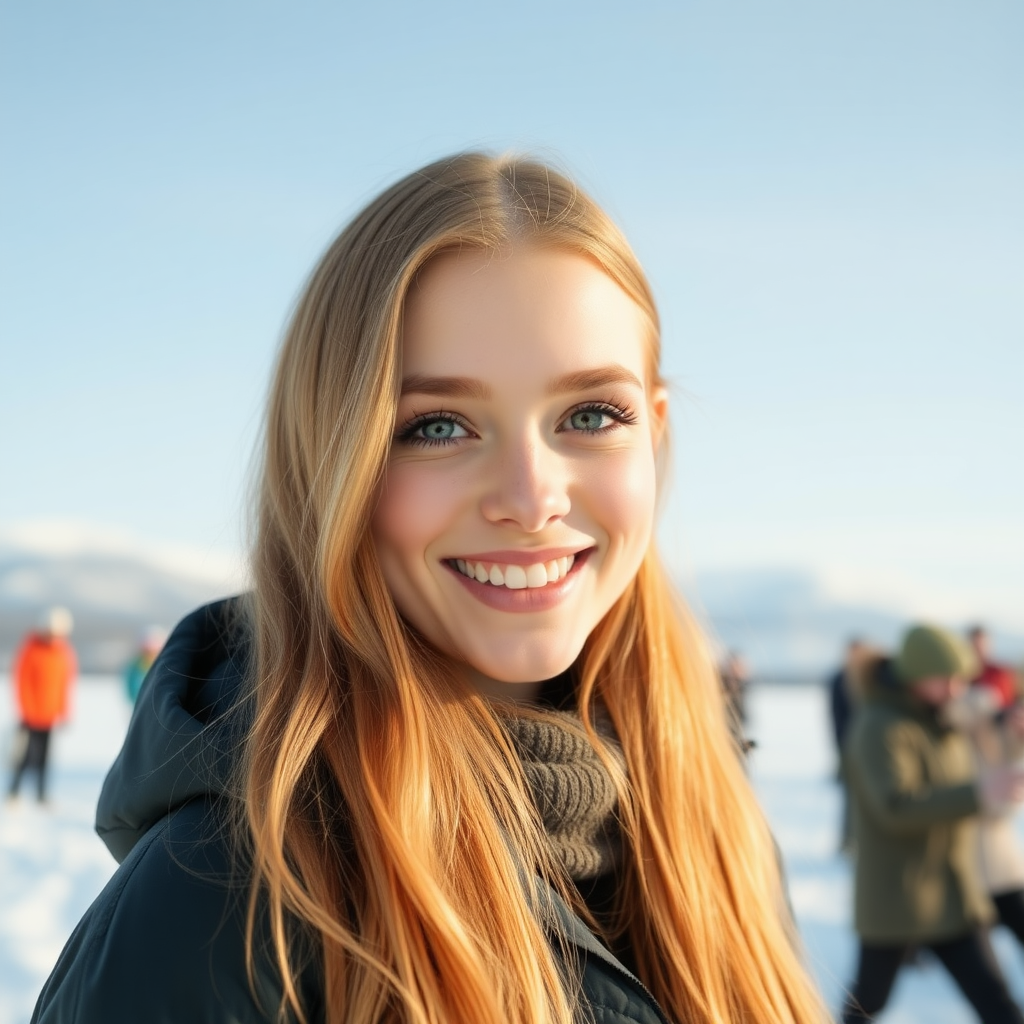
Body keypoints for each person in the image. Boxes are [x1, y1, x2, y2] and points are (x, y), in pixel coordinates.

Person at [33, 153, 827, 1024]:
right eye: (438, 426)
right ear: (330, 462)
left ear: (656, 432)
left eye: (591, 415)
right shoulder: (219, 915)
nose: (531, 500)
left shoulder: (711, 816)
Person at [840, 624, 1024, 1024]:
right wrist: (978, 793)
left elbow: (979, 771)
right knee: (866, 1005)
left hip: (954, 894)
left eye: (962, 679)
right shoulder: (880, 726)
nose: (957, 689)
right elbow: (896, 806)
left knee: (998, 1004)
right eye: (947, 679)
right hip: (898, 899)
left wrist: (1013, 745)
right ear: (917, 676)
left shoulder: (939, 719)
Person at [8, 607, 77, 804]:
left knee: (46, 757)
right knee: (25, 755)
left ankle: (41, 795)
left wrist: (64, 710)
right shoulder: (31, 648)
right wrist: (27, 710)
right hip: (31, 715)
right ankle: (14, 792)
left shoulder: (64, 652)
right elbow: (22, 682)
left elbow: (65, 684)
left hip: (50, 715)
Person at [827, 637, 868, 853]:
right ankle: (847, 841)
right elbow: (835, 717)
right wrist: (842, 748)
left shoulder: (868, 678)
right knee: (849, 798)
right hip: (848, 747)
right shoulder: (839, 679)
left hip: (866, 747)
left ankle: (858, 840)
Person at [122, 626, 168, 703]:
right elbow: (132, 690)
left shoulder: (167, 664)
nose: (150, 653)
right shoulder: (135, 666)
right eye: (147, 649)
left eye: (153, 649)